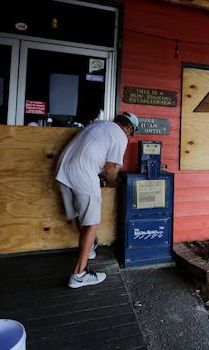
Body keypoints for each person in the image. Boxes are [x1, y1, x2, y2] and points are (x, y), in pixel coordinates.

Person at [56, 112, 138, 288]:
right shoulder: (120, 136)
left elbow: (94, 155)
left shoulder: (98, 124)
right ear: (129, 128)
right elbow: (109, 170)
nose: (129, 138)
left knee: (80, 214)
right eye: (131, 134)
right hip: (82, 174)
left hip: (63, 169)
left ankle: (90, 246)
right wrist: (113, 183)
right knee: (92, 223)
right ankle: (79, 274)